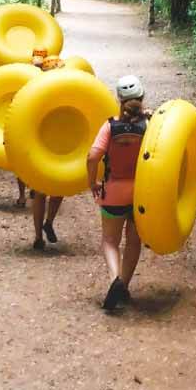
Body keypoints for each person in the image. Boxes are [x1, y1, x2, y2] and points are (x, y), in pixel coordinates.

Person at [87, 74, 148, 311]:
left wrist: (92, 182)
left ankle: (114, 279)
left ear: (119, 100)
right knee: (133, 242)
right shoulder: (150, 126)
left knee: (110, 241)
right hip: (142, 194)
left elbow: (93, 156)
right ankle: (124, 284)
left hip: (113, 191)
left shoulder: (110, 126)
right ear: (142, 97)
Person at [30, 52, 64, 248]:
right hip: (43, 143)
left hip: (57, 142)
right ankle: (40, 233)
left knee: (53, 188)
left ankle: (45, 227)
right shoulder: (35, 91)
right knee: (44, 190)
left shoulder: (65, 90)